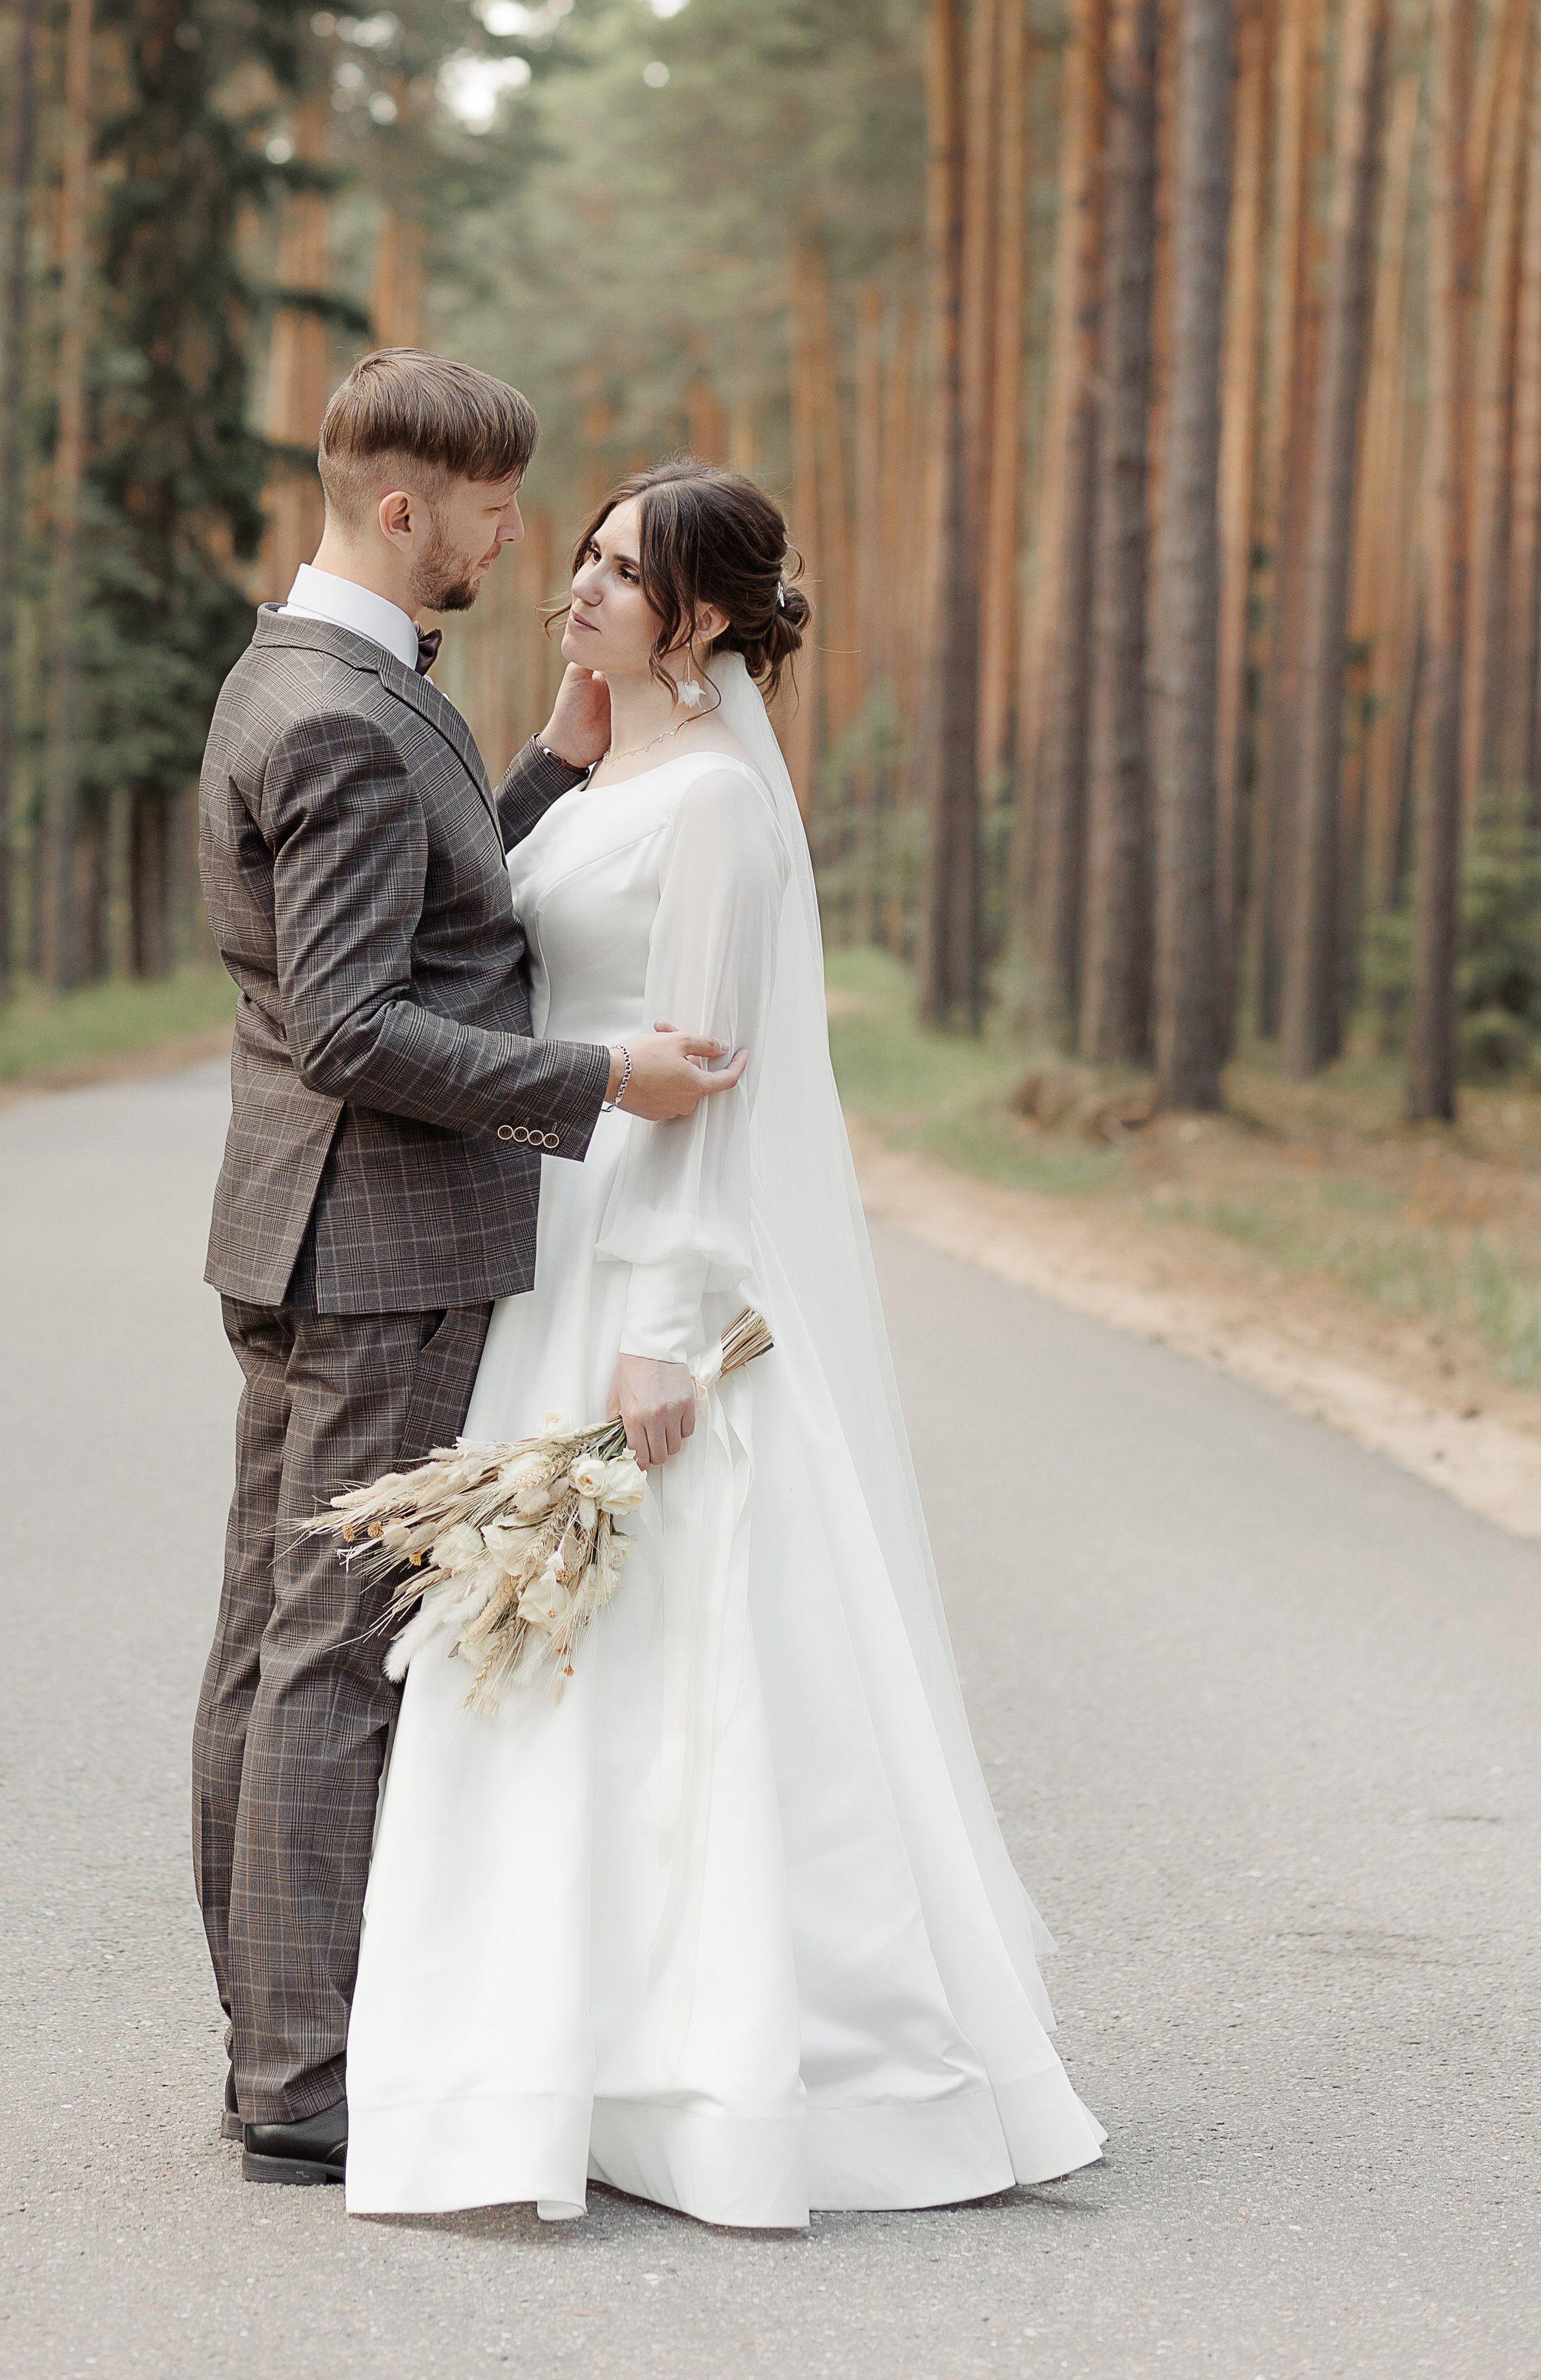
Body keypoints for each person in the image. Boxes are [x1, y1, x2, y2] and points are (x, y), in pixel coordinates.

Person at [343, 458, 1106, 2230]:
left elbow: (702, 1076)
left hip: (637, 1271)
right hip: (550, 1238)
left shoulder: (715, 820)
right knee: (551, 1665)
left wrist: (667, 1334)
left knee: (678, 1657)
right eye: (588, 557)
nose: (579, 587)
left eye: (619, 571)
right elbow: (506, 927)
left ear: (701, 617)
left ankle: (744, 2064)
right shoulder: (626, 777)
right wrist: (555, 739)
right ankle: (560, 2051)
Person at [193, 353, 747, 2185]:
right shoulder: (346, 711)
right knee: (333, 1655)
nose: (521, 541)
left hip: (298, 1222)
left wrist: (531, 779)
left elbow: (420, 920)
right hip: (378, 1241)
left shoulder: (307, 667)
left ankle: (264, 2042)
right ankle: (298, 2079)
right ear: (405, 509)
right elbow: (360, 1018)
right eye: (500, 512)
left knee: (270, 1650)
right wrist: (599, 1078)